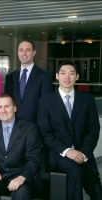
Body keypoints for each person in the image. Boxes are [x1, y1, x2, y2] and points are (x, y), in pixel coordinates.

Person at [38, 61, 102, 200]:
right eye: (63, 73)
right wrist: (68, 151)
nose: (67, 77)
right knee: (75, 172)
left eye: (71, 73)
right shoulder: (45, 102)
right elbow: (45, 133)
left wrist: (83, 153)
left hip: (83, 153)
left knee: (96, 189)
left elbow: (94, 130)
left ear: (77, 77)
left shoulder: (87, 100)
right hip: (58, 153)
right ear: (57, 76)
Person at [4, 39, 52, 124]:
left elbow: (46, 105)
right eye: (21, 50)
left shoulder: (44, 76)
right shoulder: (10, 77)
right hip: (13, 124)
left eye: (28, 50)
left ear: (34, 52)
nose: (24, 53)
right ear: (18, 52)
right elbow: (7, 102)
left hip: (35, 125)